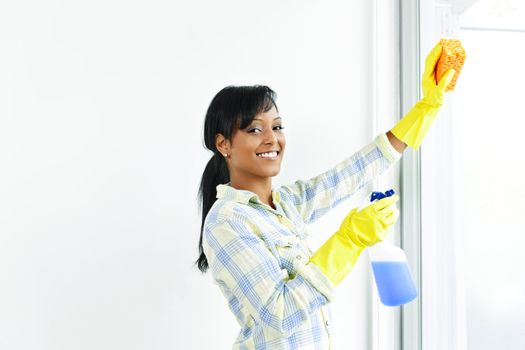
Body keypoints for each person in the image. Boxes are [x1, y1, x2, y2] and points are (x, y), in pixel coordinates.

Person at [195, 43, 456, 349]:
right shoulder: (227, 222)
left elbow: (352, 173)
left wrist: (426, 108)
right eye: (254, 129)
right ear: (223, 144)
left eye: (277, 127)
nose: (272, 139)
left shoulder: (286, 204)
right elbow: (280, 315)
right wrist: (349, 240)